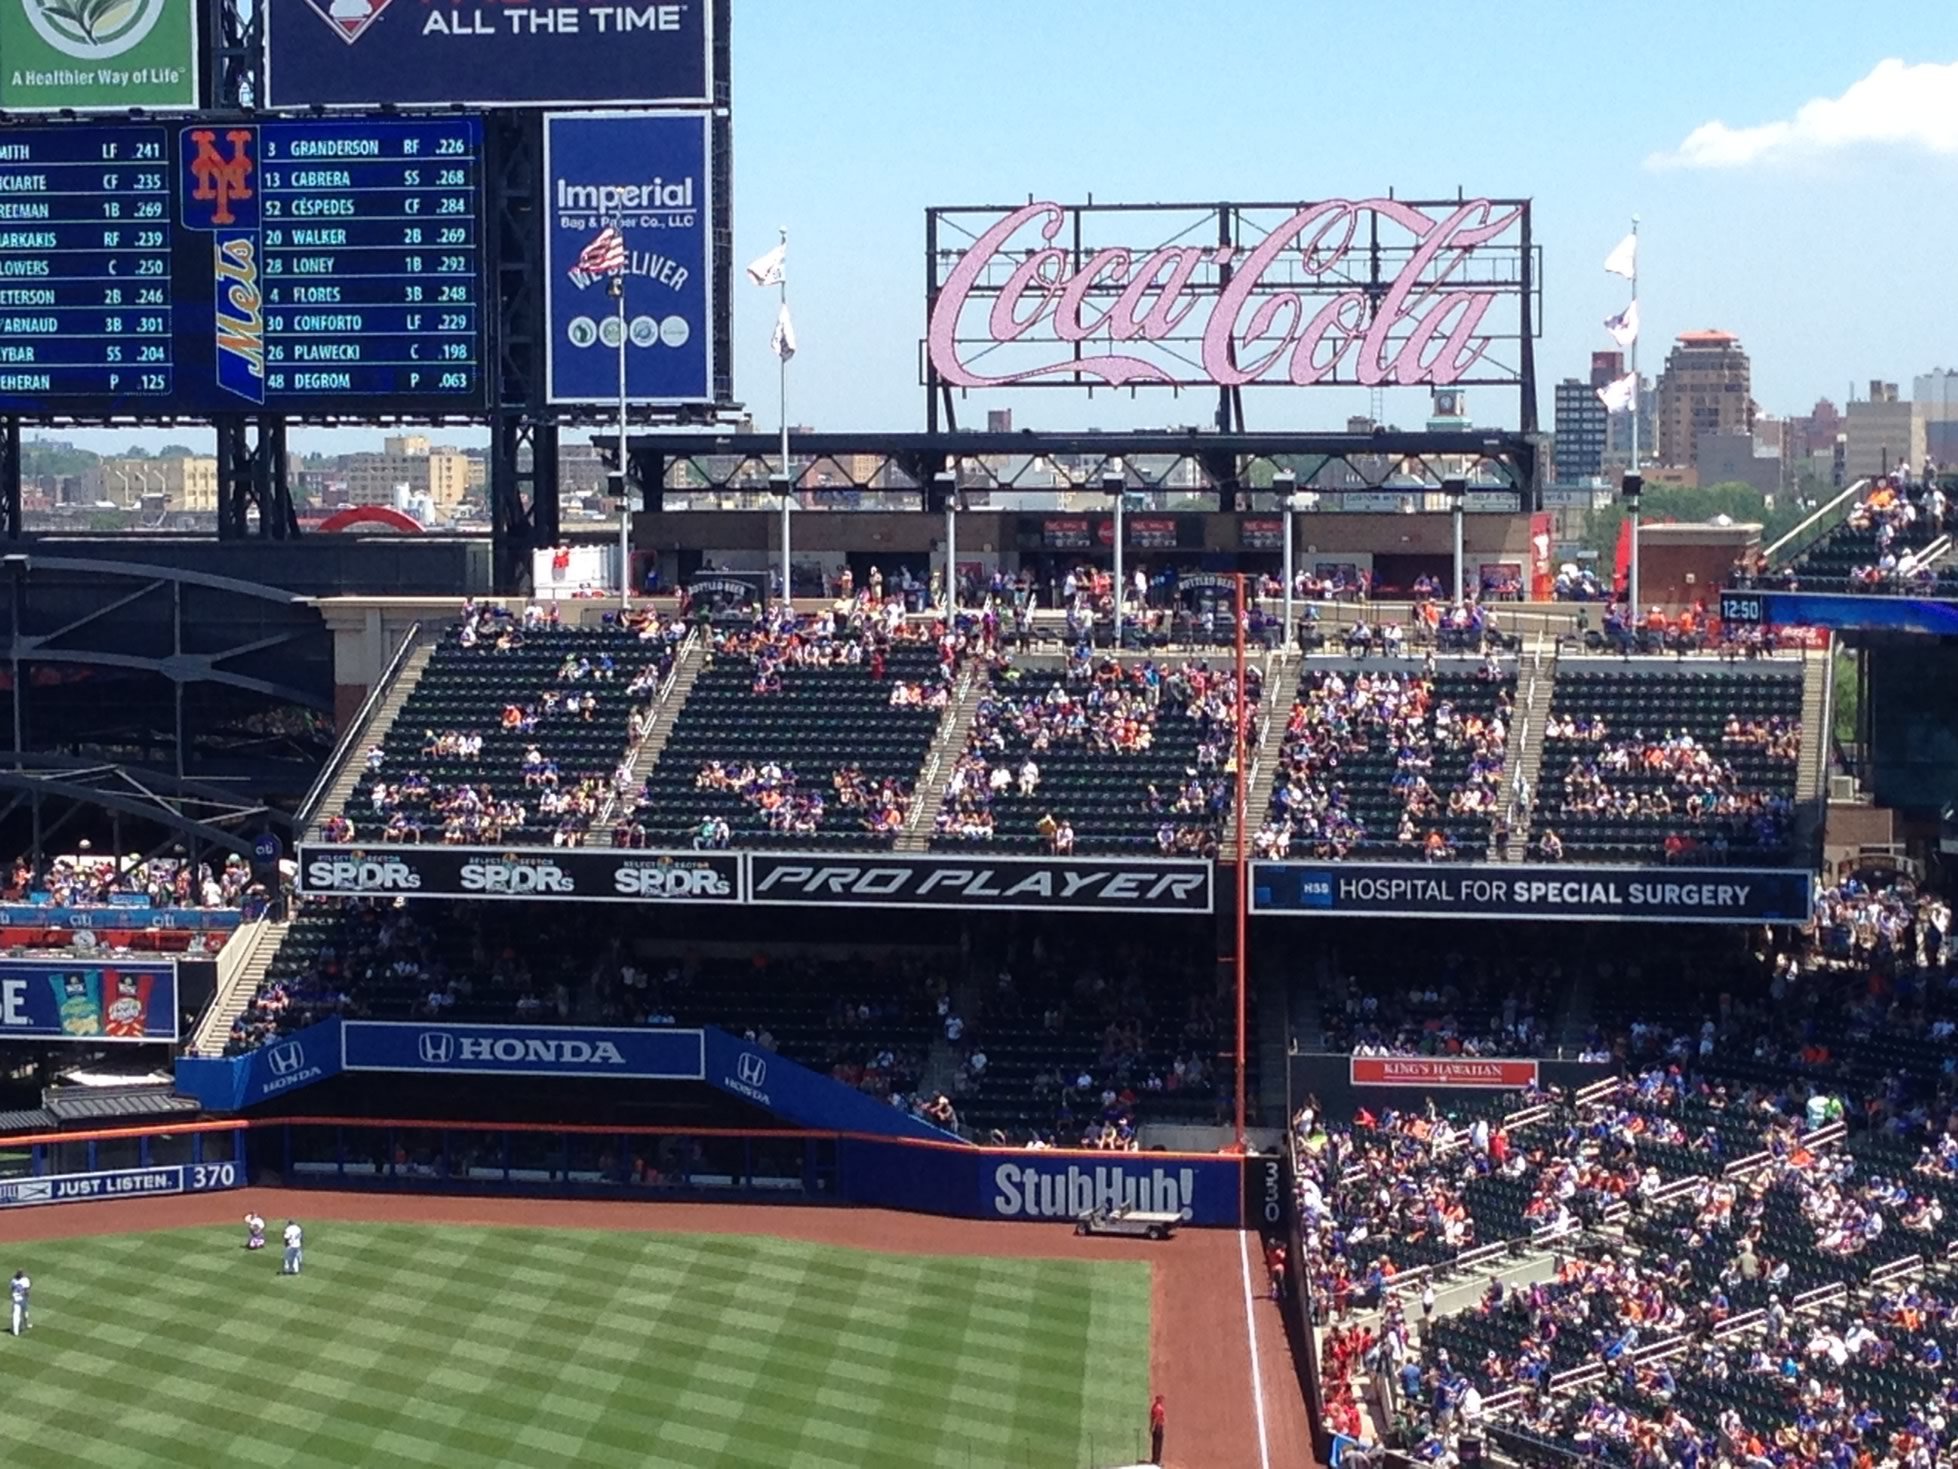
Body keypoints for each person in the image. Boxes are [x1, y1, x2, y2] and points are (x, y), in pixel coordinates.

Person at [10, 1270, 28, 1336]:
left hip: (17, 1299)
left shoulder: (13, 1280)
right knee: (20, 1314)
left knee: (17, 1315)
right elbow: (27, 1290)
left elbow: (11, 1289)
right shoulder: (25, 1280)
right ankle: (17, 1329)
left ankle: (18, 1328)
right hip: (21, 1299)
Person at [1149, 1394, 1166, 1464]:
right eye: (1161, 1399)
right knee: (1158, 1443)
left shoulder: (1154, 1407)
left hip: (1157, 1426)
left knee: (1155, 1443)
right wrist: (1153, 1427)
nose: (1162, 1400)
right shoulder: (1158, 1408)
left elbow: (1153, 1418)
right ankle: (1156, 1460)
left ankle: (1155, 1459)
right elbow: (1155, 1418)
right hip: (1158, 1427)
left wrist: (1151, 1427)